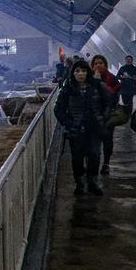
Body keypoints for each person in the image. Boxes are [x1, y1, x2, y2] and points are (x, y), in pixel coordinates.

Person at [54, 59, 111, 196]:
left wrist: (102, 118)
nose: (80, 74)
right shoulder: (67, 88)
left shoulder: (97, 86)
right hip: (76, 128)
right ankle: (79, 183)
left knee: (94, 155)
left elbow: (108, 103)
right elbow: (58, 109)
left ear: (88, 72)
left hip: (94, 128)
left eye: (83, 71)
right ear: (73, 73)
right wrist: (68, 123)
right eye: (77, 71)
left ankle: (92, 182)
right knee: (77, 157)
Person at [89, 55, 120, 174]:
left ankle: (106, 162)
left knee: (107, 138)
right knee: (91, 140)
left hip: (107, 113)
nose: (98, 66)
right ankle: (92, 163)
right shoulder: (88, 79)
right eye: (95, 63)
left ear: (105, 65)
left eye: (100, 63)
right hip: (92, 113)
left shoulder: (111, 78)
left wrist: (100, 83)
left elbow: (114, 96)